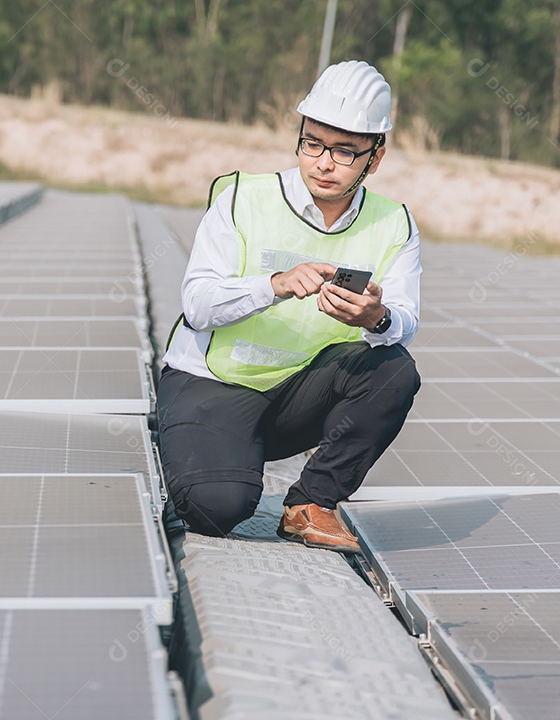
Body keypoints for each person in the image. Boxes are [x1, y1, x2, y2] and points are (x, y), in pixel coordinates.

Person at [157, 60, 421, 554]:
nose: (323, 162)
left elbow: (403, 321)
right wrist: (273, 285)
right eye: (313, 143)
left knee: (394, 369)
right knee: (216, 508)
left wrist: (376, 318)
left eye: (345, 152)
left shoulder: (395, 225)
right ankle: (194, 447)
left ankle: (310, 504)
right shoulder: (240, 198)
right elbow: (197, 305)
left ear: (375, 159)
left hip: (296, 395)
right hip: (212, 384)